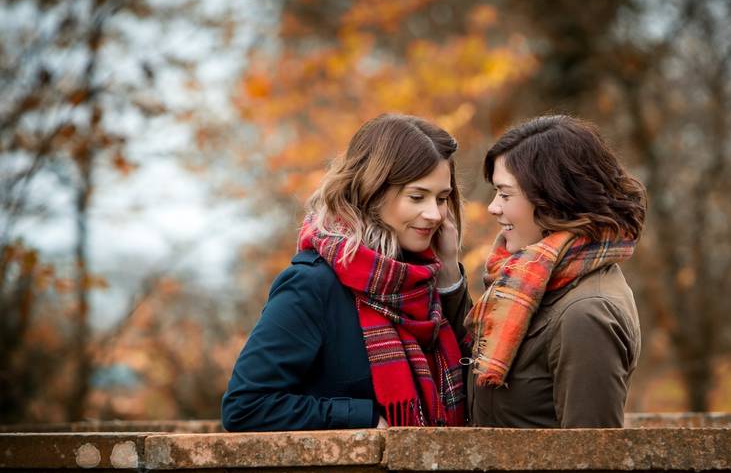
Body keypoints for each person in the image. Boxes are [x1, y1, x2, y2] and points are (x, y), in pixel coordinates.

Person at [222, 114, 470, 431]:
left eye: (442, 198)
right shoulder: (313, 284)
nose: (434, 214)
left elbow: (474, 373)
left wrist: (449, 272)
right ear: (373, 192)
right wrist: (359, 418)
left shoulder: (424, 283)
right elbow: (246, 406)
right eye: (417, 197)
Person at [466, 115, 646, 428]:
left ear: (553, 199)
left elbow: (590, 461)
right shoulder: (529, 281)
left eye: (506, 194)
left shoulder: (586, 314)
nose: (493, 207)